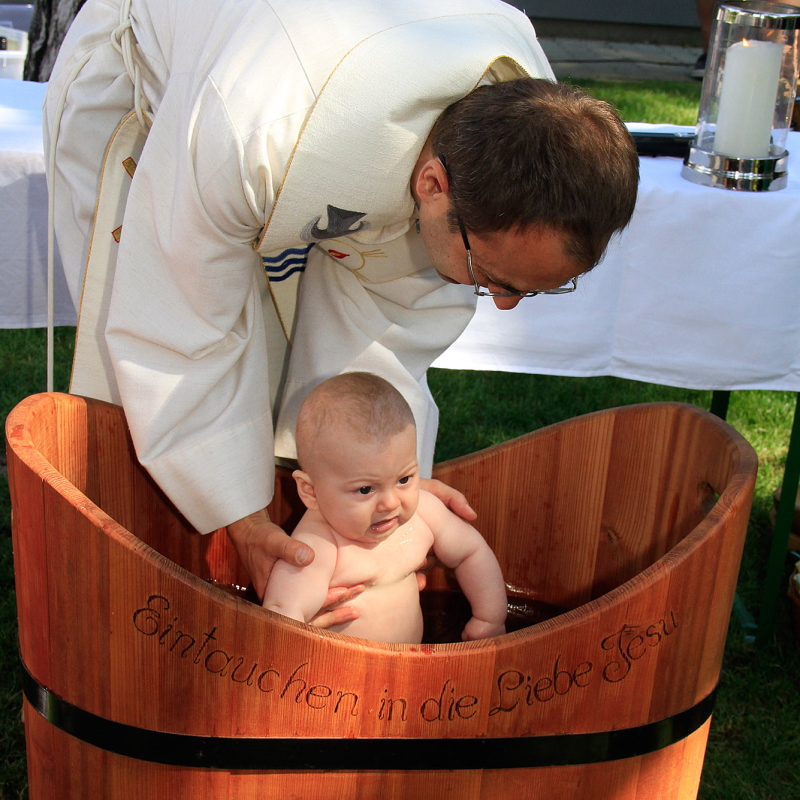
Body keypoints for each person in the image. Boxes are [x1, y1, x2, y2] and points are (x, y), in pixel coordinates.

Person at [44, 0, 639, 615]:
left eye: (532, 288)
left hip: (308, 109)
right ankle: (134, 615)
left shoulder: (530, 121)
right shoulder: (256, 126)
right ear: (433, 186)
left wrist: (383, 482)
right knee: (146, 384)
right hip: (156, 87)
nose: (506, 305)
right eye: (490, 276)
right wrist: (240, 517)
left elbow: (390, 323)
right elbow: (181, 321)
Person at [262, 372, 507, 643]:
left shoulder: (425, 513)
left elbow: (471, 552)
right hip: (339, 676)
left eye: (404, 479)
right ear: (311, 492)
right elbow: (283, 611)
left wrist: (489, 617)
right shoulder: (319, 543)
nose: (391, 503)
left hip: (413, 667)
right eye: (365, 489)